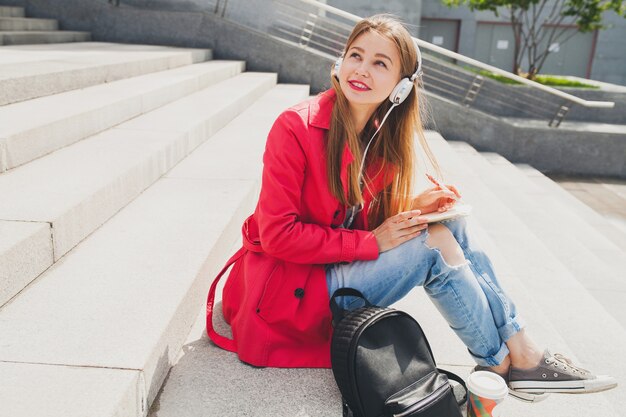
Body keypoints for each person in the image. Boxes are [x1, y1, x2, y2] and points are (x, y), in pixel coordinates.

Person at [206, 14, 617, 402]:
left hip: (329, 273)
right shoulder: (295, 127)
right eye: (356, 56)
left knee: (449, 225)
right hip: (292, 294)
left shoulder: (379, 140)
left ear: (401, 87)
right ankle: (506, 364)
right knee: (432, 248)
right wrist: (370, 242)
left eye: (380, 63)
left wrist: (414, 208)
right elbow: (279, 235)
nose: (362, 70)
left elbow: (353, 217)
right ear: (340, 60)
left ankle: (521, 353)